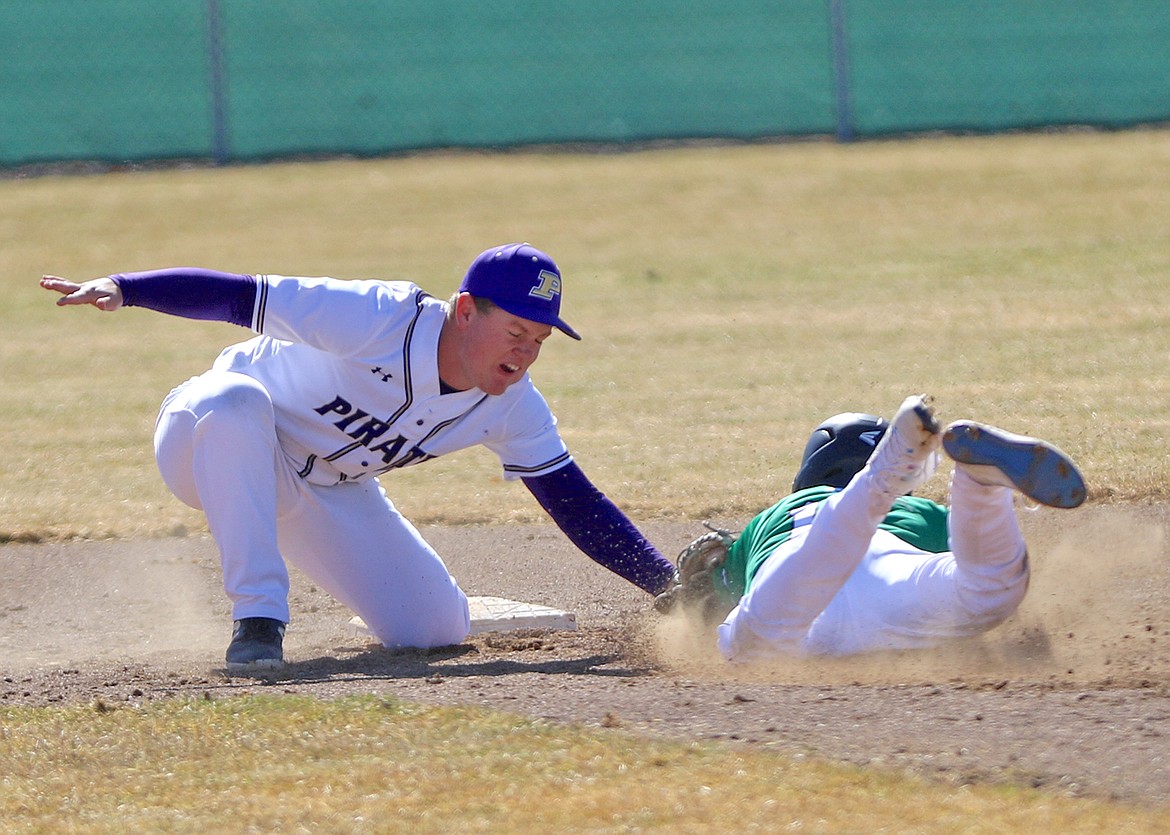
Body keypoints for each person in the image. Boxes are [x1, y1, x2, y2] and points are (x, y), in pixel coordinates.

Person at [41, 243, 676, 670]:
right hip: (208, 442)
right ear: (463, 311)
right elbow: (239, 296)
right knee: (236, 400)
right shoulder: (379, 317)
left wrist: (668, 587)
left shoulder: (510, 403)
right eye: (514, 331)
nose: (525, 353)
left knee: (433, 629)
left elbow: (573, 500)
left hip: (324, 491)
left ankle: (328, 607)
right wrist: (125, 288)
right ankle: (258, 618)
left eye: (538, 340)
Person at [658, 394, 1086, 660]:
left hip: (803, 564)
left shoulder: (773, 516)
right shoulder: (922, 513)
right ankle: (979, 485)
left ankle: (881, 478)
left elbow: (710, 598)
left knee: (754, 645)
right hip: (893, 590)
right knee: (989, 591)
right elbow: (975, 567)